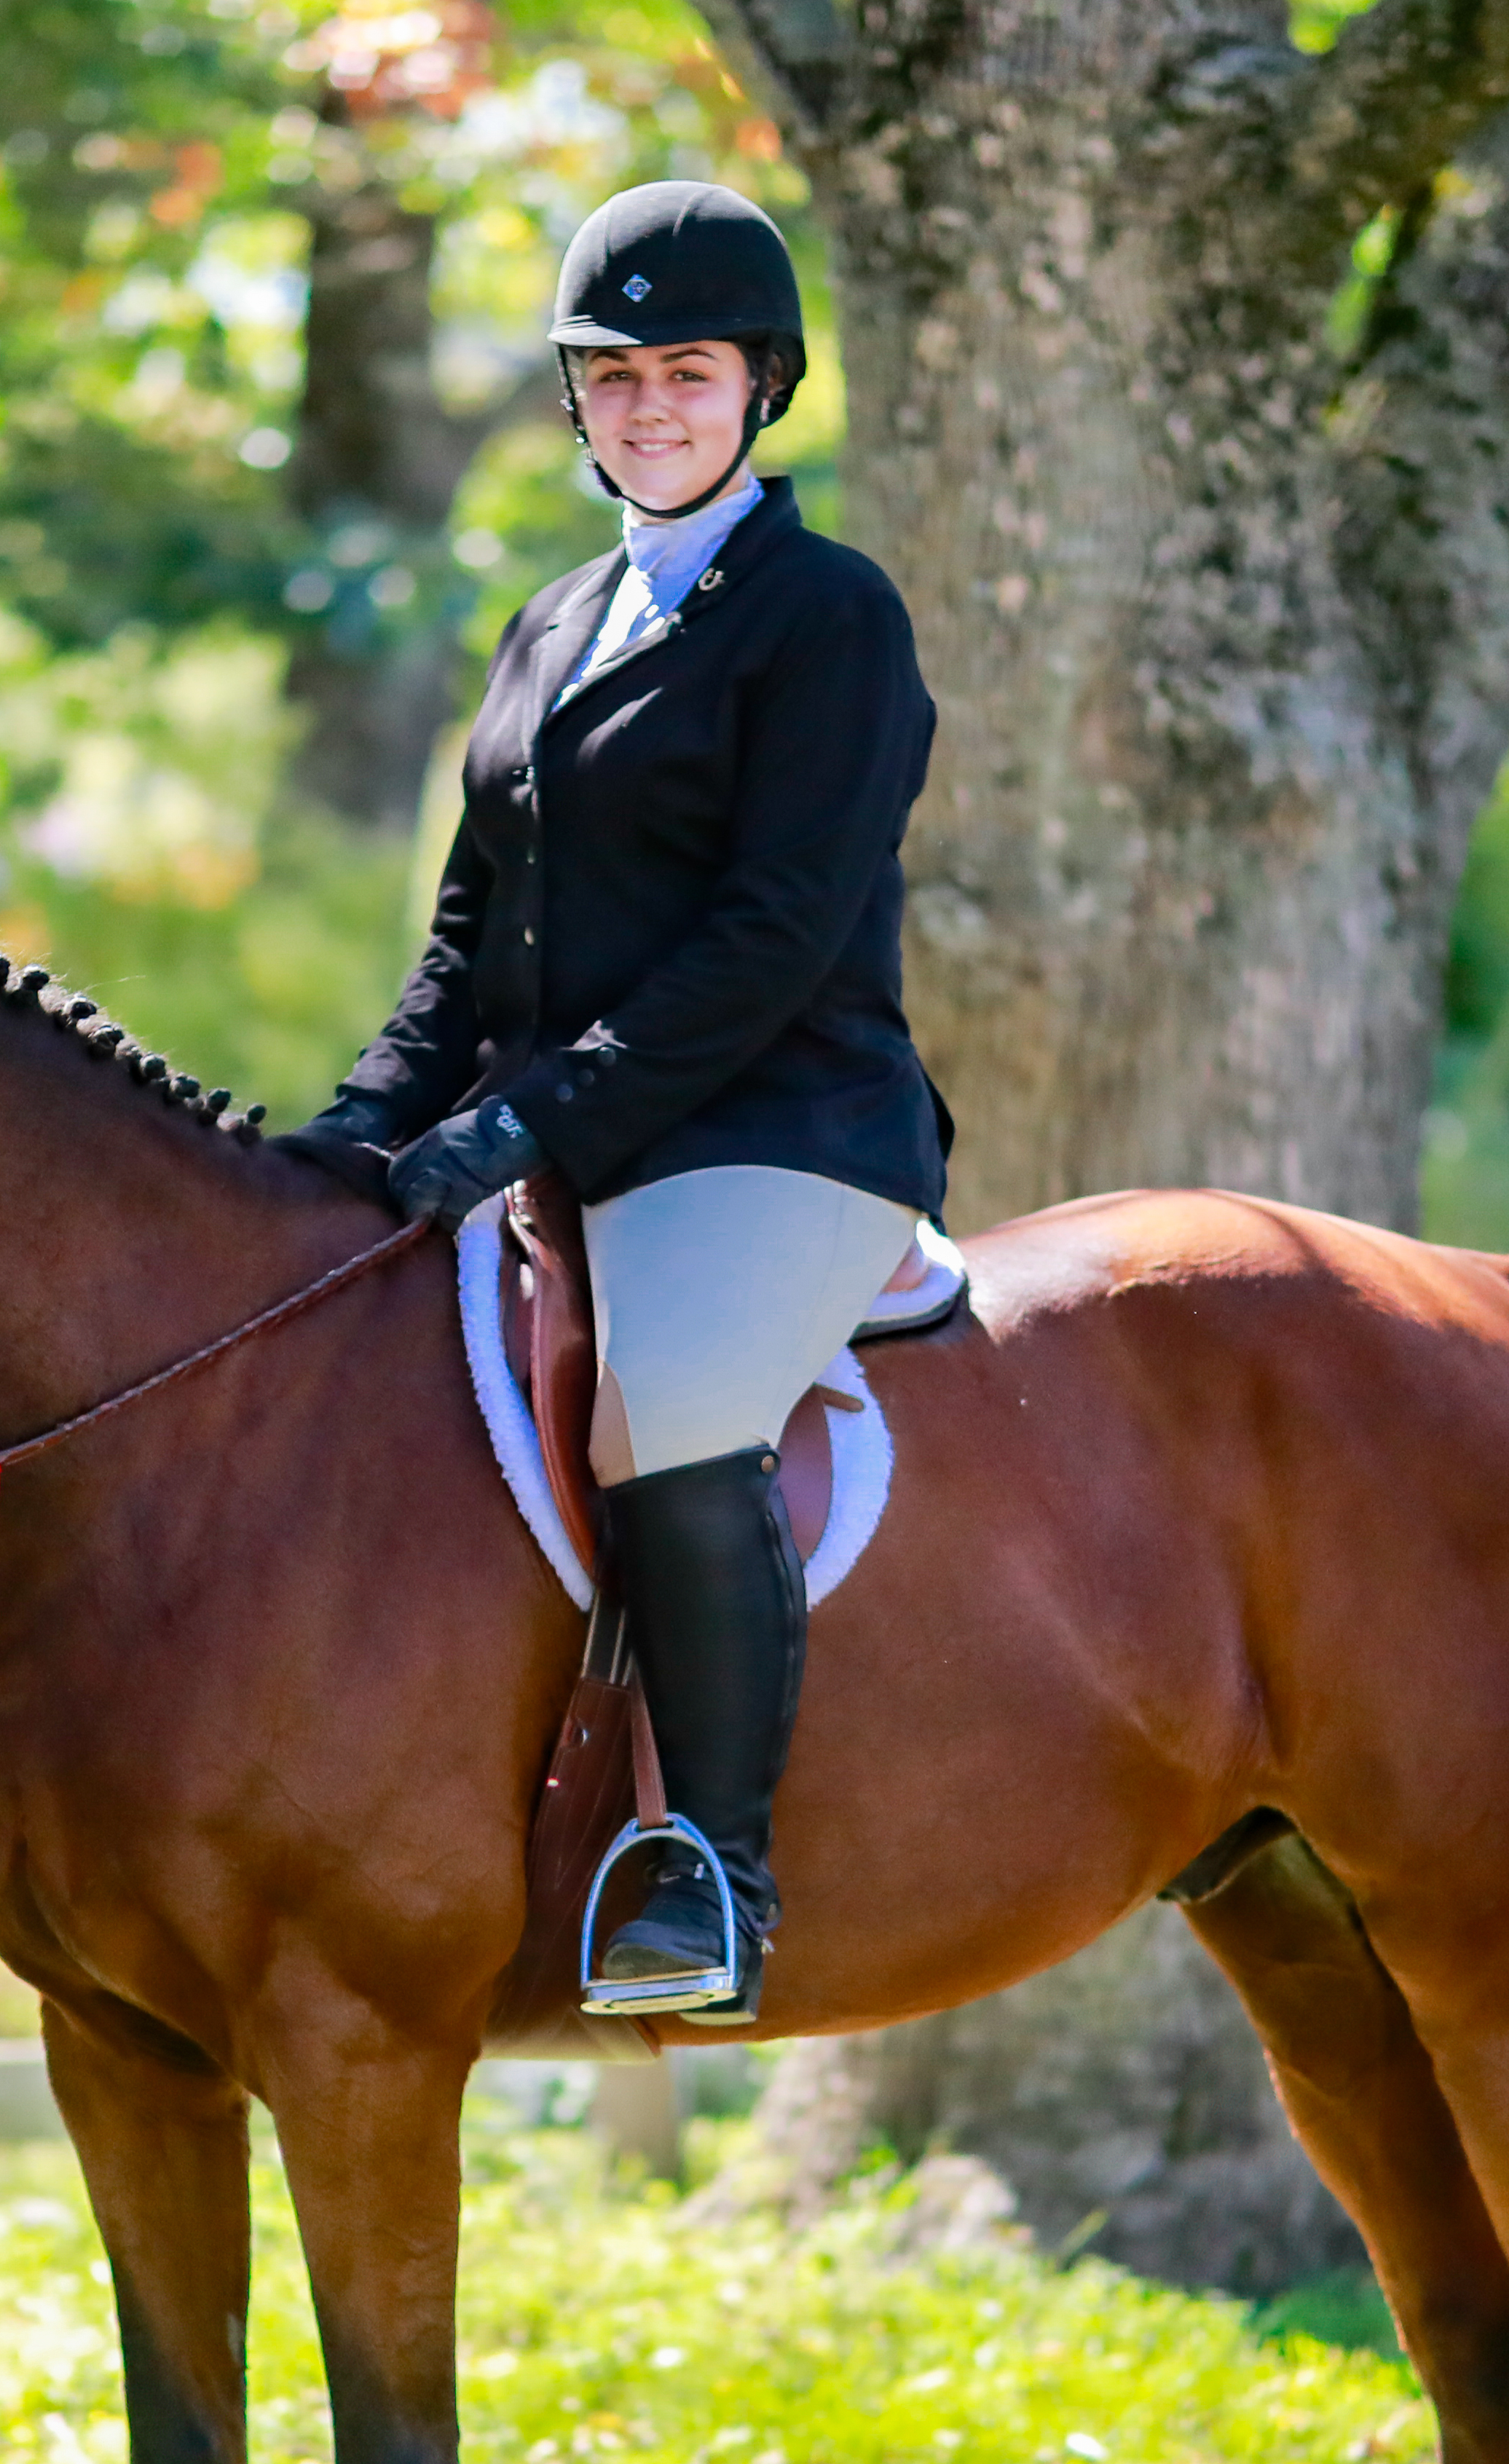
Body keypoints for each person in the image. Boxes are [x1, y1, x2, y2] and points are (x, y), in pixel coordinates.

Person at [282, 180, 946, 2026]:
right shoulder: (553, 621)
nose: (650, 406)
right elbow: (464, 936)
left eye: (687, 372)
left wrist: (534, 1118)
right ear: (576, 399)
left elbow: (771, 933)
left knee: (670, 1403)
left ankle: (708, 1866)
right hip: (567, 1127)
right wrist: (350, 1135)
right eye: (615, 375)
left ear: (759, 387)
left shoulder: (827, 616)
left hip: (776, 1127)